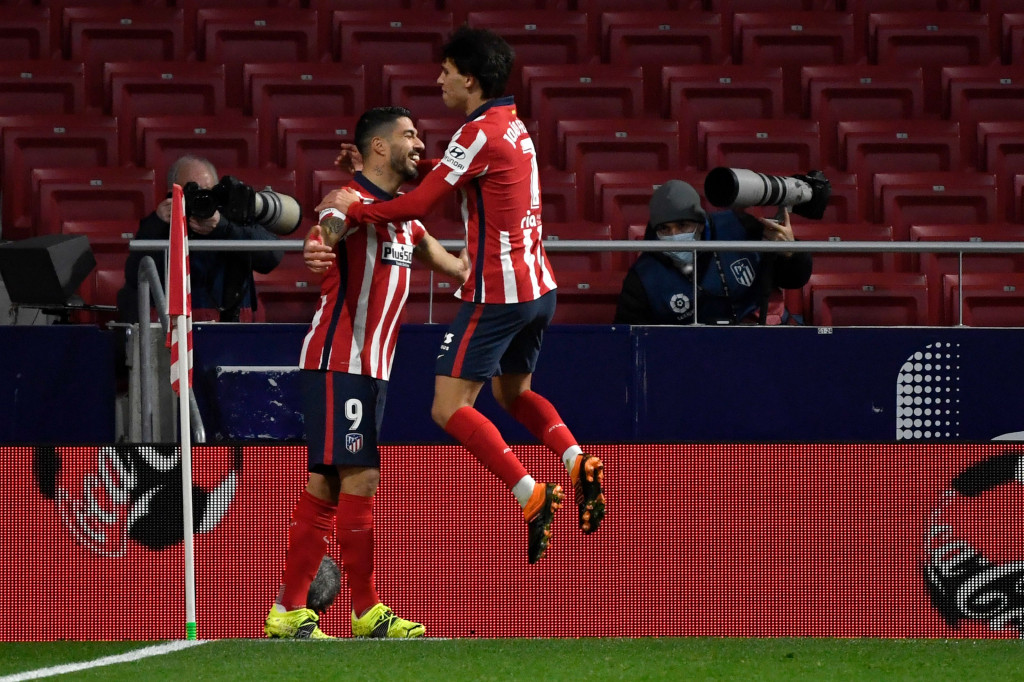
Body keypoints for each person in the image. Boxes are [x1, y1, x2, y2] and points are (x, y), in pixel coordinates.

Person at [316, 26, 606, 566]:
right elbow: (454, 170)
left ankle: (530, 493)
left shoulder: (475, 132)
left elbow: (417, 205)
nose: (439, 79)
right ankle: (574, 459)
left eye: (446, 71)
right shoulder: (511, 127)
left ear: (468, 78)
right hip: (538, 287)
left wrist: (356, 208)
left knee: (448, 408)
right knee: (512, 394)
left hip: (496, 293)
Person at [264, 106, 470, 640]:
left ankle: (289, 611)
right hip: (340, 360)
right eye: (408, 135)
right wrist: (319, 242)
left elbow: (453, 266)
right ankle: (367, 610)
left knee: (328, 482)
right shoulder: (354, 200)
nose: (419, 143)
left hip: (370, 369)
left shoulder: (404, 216)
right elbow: (332, 212)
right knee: (361, 477)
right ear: (379, 148)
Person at [613, 179, 813, 326]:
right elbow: (629, 336)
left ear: (700, 224)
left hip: (761, 336)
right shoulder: (644, 277)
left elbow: (794, 279)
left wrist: (790, 253)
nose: (674, 235)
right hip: (692, 355)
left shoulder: (740, 227)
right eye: (664, 229)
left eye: (683, 226)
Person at [117, 155, 284, 323]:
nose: (203, 199)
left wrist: (223, 228)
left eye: (209, 192)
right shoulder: (158, 224)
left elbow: (273, 256)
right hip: (175, 328)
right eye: (194, 192)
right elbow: (135, 276)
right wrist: (157, 224)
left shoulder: (233, 220)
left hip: (230, 326)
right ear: (172, 194)